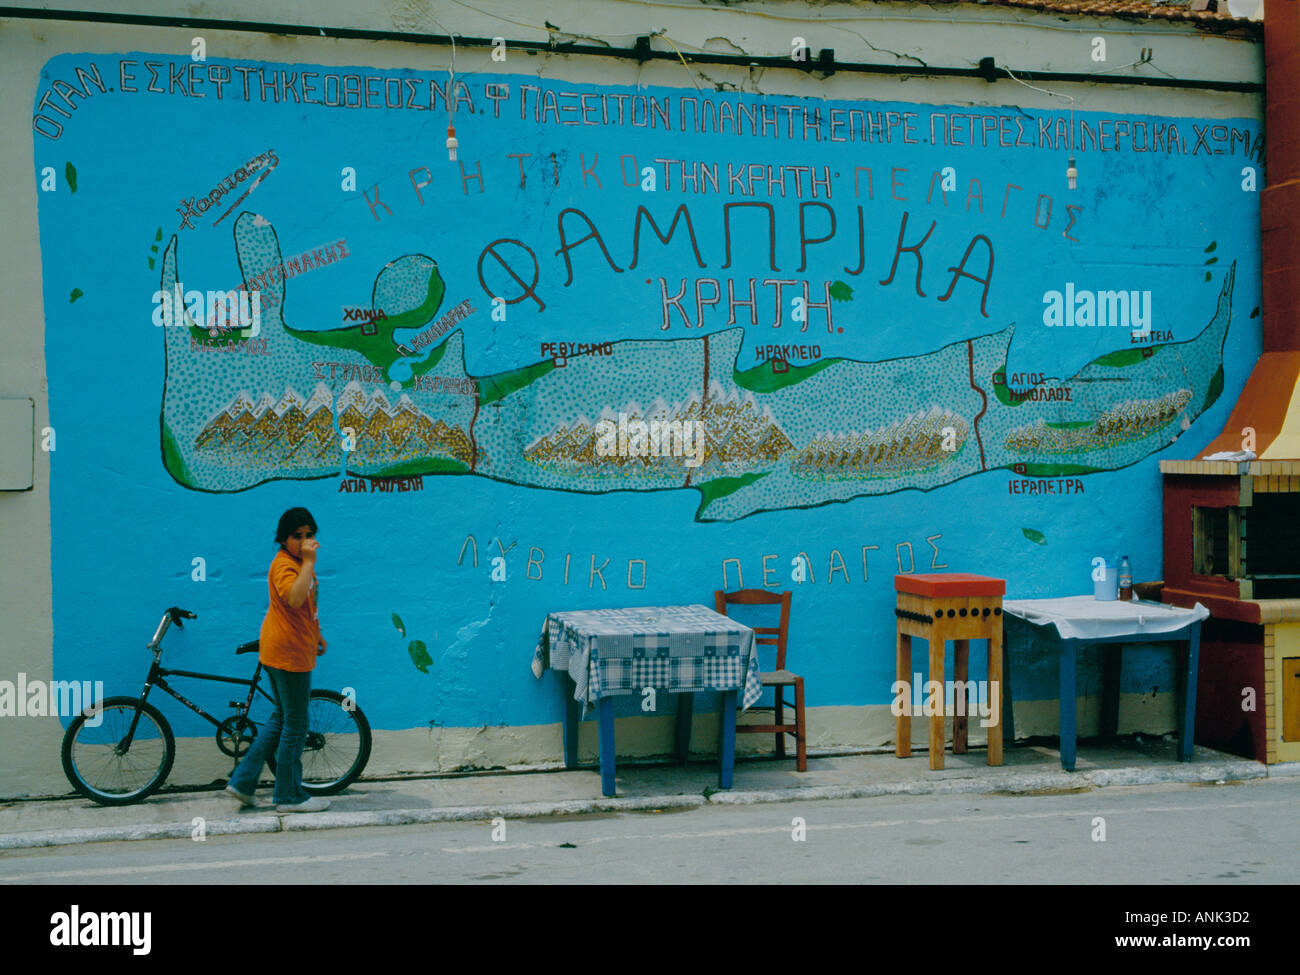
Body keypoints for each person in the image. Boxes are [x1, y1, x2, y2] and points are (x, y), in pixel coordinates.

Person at [226, 507, 331, 813]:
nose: (304, 541)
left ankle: (243, 782)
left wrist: (318, 633)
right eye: (296, 536)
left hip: (288, 647)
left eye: (309, 535)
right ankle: (288, 795)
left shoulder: (299, 563)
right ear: (284, 539)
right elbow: (295, 597)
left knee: (281, 718)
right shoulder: (285, 565)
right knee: (296, 725)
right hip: (287, 654)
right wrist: (309, 563)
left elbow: (307, 606)